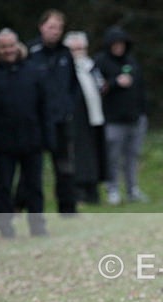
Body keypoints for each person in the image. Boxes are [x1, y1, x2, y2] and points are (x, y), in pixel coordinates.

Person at [0, 28, 51, 239]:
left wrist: (47, 137)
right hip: (2, 141)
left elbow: (44, 106)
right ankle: (5, 228)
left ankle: (38, 226)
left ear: (18, 46)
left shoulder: (32, 71)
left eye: (11, 46)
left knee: (34, 186)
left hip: (32, 138)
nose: (8, 50)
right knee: (5, 186)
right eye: (3, 47)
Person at [27, 9, 80, 216]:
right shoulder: (31, 52)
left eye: (59, 28)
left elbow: (73, 85)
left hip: (61, 120)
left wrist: (68, 107)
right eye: (51, 27)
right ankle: (24, 205)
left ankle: (68, 208)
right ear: (41, 27)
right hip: (37, 121)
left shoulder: (65, 53)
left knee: (65, 166)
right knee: (32, 167)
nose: (55, 31)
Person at [95, 25, 149, 205]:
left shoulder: (131, 62)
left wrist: (143, 112)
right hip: (113, 120)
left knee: (132, 156)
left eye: (122, 44)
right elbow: (98, 87)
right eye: (115, 44)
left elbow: (141, 87)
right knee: (113, 157)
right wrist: (115, 82)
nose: (119, 47)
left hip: (136, 118)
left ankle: (132, 189)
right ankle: (113, 190)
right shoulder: (101, 62)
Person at [63, 30, 105, 205]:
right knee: (79, 157)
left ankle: (93, 191)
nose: (78, 52)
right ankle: (78, 192)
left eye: (81, 48)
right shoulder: (66, 69)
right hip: (76, 119)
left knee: (94, 155)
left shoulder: (91, 66)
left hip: (95, 117)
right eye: (74, 49)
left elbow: (100, 85)